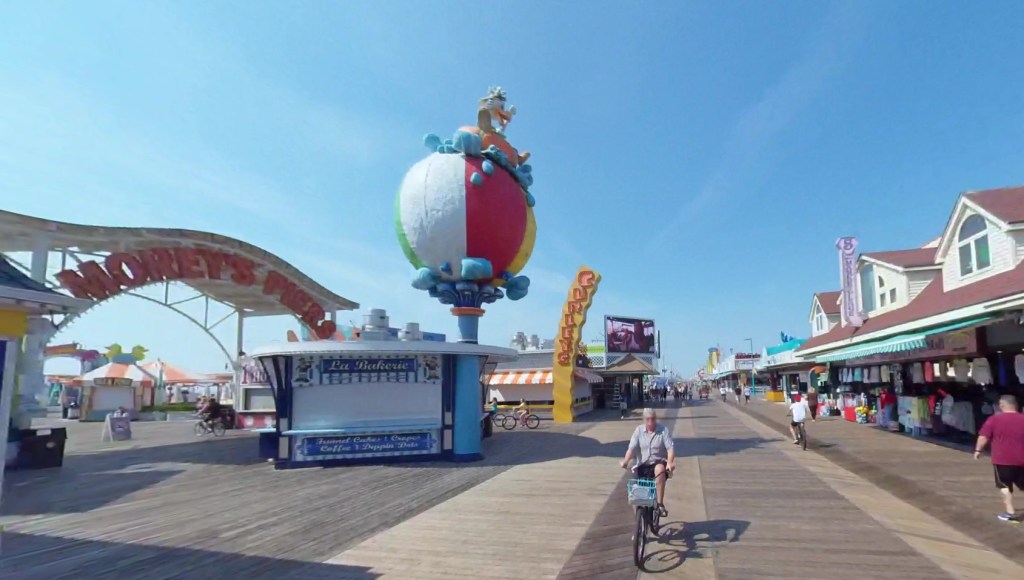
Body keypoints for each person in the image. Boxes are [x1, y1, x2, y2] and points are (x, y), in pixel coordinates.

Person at [974, 395, 1024, 522]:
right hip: (1022, 459)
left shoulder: (994, 420)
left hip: (1002, 459)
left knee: (1004, 485)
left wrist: (978, 450)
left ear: (1002, 406)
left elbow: (983, 436)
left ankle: (1010, 512)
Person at [620, 408, 676, 517]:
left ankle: (660, 504)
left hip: (658, 462)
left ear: (656, 418)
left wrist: (669, 462)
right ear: (644, 420)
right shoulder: (639, 430)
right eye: (648, 419)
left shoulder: (663, 430)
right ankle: (639, 522)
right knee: (635, 494)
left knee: (659, 469)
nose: (650, 421)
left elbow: (670, 449)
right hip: (642, 464)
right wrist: (626, 461)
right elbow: (631, 449)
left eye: (653, 419)